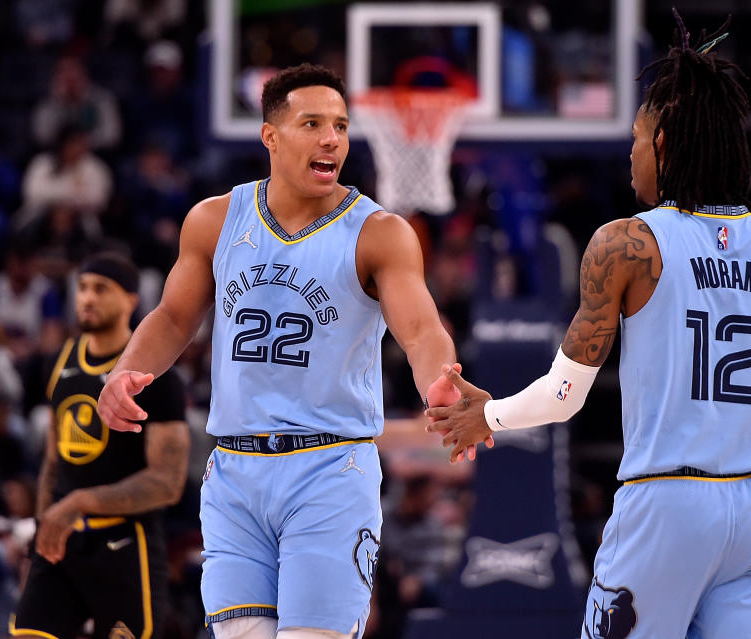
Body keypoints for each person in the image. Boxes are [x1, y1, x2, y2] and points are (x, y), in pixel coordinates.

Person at [427, 13, 751, 638]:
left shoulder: (628, 243)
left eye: (636, 138)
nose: (630, 153)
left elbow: (565, 396)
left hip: (667, 504)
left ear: (662, 143)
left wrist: (491, 414)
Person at [97, 64, 479, 639]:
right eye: (313, 124)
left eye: (342, 126)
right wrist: (127, 371)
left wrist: (439, 381)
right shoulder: (214, 220)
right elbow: (174, 316)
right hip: (233, 472)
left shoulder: (379, 232)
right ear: (270, 137)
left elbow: (422, 331)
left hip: (329, 469)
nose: (333, 139)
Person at [10, 252, 189, 639]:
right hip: (61, 544)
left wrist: (79, 502)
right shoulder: (59, 362)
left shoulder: (156, 375)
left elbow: (167, 482)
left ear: (131, 300)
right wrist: (44, 527)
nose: (87, 298)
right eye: (83, 288)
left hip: (126, 546)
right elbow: (54, 462)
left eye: (101, 289)